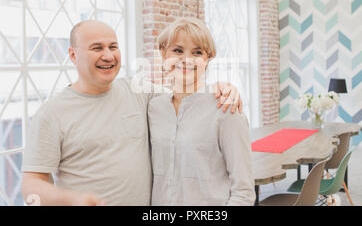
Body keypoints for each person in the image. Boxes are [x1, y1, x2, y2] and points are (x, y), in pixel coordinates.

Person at [21, 20, 243, 206]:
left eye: (113, 47)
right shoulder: (51, 113)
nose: (108, 56)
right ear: (72, 54)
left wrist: (221, 88)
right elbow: (30, 185)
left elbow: (186, 97)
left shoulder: (140, 93)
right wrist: (72, 200)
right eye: (97, 48)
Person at [148, 17, 255, 205]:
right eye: (177, 50)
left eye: (197, 52)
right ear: (163, 54)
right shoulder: (153, 108)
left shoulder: (225, 108)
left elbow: (243, 191)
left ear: (207, 59)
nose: (187, 59)